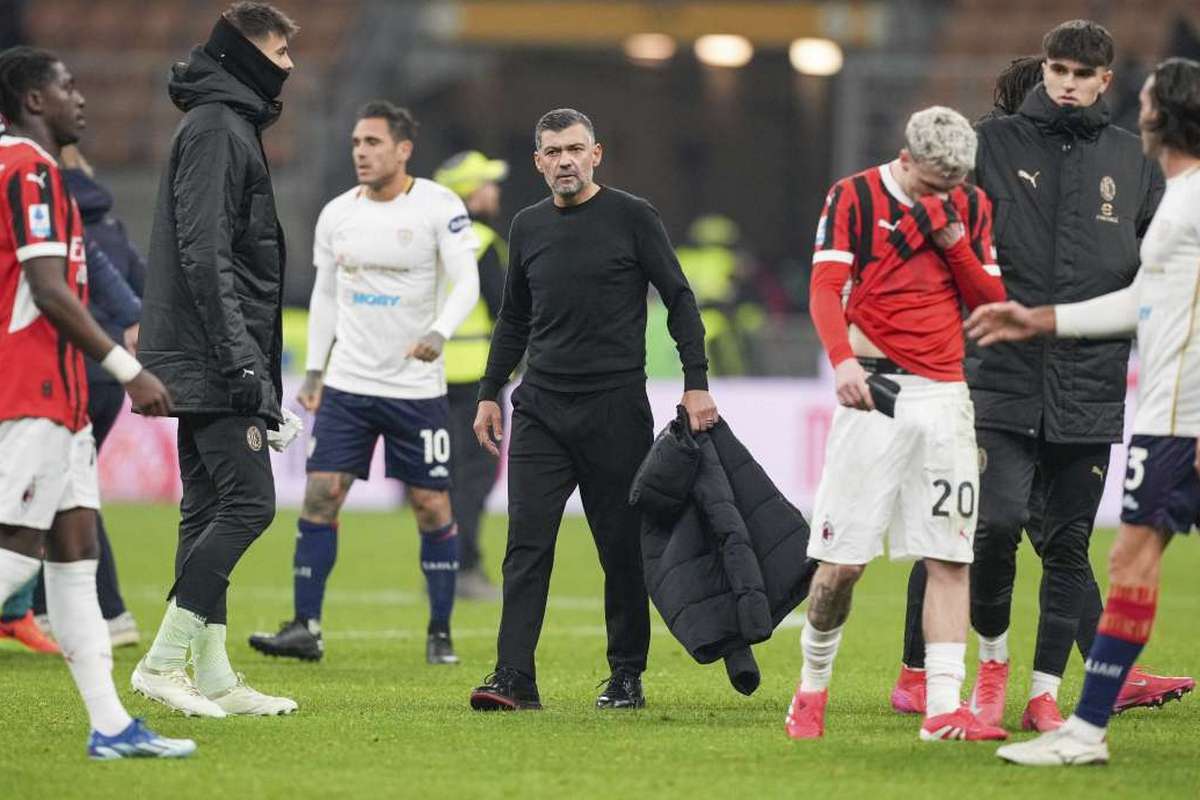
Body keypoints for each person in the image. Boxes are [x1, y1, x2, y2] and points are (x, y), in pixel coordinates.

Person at [891, 20, 1191, 732]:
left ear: (1103, 82)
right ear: (1045, 69)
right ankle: (968, 670)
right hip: (998, 373)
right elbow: (930, 224)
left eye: (1081, 74)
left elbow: (1156, 279)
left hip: (1090, 381)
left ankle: (1048, 691)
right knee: (988, 526)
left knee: (1067, 544)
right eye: (1057, 69)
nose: (1066, 83)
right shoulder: (990, 144)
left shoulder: (1134, 159)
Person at [973, 57, 1200, 765]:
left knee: (1127, 559)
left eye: (1149, 99)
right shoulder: (1179, 195)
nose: (1138, 107)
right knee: (1129, 560)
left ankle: (1086, 728)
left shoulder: (1190, 201)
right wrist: (1044, 320)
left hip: (1186, 418)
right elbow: (1144, 303)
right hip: (1163, 417)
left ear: (1168, 112)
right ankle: (1087, 729)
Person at [468, 108, 715, 711]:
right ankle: (513, 678)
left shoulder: (633, 217)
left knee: (620, 548)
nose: (565, 161)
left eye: (574, 149)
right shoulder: (526, 227)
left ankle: (626, 675)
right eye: (552, 152)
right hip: (541, 410)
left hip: (614, 409)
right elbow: (514, 319)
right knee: (525, 545)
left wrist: (696, 382)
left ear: (596, 154)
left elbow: (678, 299)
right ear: (538, 163)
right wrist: (488, 391)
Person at [787, 106, 1009, 742]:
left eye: (953, 187)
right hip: (873, 391)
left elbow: (991, 302)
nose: (945, 196)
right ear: (906, 161)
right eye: (934, 186)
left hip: (945, 396)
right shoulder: (853, 195)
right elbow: (825, 288)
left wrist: (952, 240)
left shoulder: (970, 206)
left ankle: (943, 708)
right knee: (841, 565)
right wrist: (841, 362)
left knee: (949, 555)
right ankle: (811, 688)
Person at [0, 45, 191, 759]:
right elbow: (49, 289)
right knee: (15, 557)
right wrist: (125, 367)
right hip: (36, 390)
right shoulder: (32, 170)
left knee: (75, 560)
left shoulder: (27, 169)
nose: (81, 97)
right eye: (67, 86)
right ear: (34, 100)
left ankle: (111, 725)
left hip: (61, 398)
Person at [248, 102, 481, 665]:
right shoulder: (337, 215)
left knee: (431, 505)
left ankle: (441, 632)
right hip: (349, 386)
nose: (360, 151)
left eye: (373, 142)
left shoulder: (439, 206)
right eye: (356, 141)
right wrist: (315, 371)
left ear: (403, 150)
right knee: (322, 494)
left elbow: (466, 281)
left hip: (417, 390)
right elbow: (327, 294)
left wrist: (439, 332)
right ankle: (305, 626)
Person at [131, 1, 302, 718]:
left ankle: (215, 676)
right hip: (212, 357)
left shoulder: (223, 124)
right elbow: (206, 256)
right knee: (250, 503)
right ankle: (163, 662)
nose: (290, 65)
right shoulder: (216, 129)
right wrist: (243, 366)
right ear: (246, 54)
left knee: (206, 510)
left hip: (208, 354)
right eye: (280, 52)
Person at [31, 144, 145, 647]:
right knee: (61, 486)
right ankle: (62, 610)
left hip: (65, 369)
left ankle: (97, 610)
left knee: (51, 487)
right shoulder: (112, 228)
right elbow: (139, 291)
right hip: (107, 378)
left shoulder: (40, 212)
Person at [434, 149, 510, 601]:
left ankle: (442, 563)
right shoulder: (480, 241)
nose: (493, 190)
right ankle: (465, 568)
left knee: (441, 477)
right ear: (469, 192)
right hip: (477, 381)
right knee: (475, 478)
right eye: (486, 182)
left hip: (430, 377)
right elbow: (506, 313)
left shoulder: (427, 238)